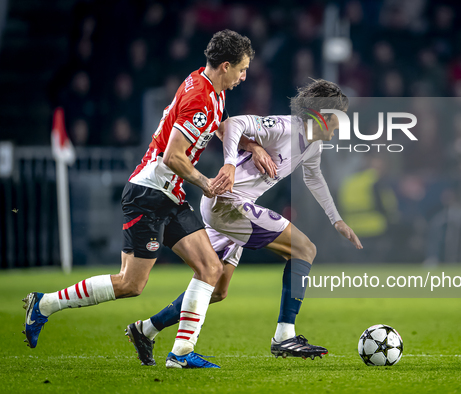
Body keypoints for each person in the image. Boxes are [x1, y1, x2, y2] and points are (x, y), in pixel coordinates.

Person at [23, 30, 254, 369]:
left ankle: (180, 354)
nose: (243, 76)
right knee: (131, 284)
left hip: (168, 195)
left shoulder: (207, 88)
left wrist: (251, 146)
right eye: (242, 69)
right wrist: (205, 182)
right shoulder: (201, 99)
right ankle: (44, 305)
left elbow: (216, 126)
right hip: (149, 194)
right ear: (224, 66)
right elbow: (172, 158)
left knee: (210, 268)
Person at [125, 79, 363, 366]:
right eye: (337, 119)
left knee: (217, 289)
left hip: (234, 206)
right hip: (227, 203)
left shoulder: (312, 146)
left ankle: (146, 329)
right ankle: (284, 335)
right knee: (304, 249)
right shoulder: (285, 127)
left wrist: (336, 220)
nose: (339, 127)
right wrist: (232, 160)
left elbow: (314, 178)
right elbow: (231, 124)